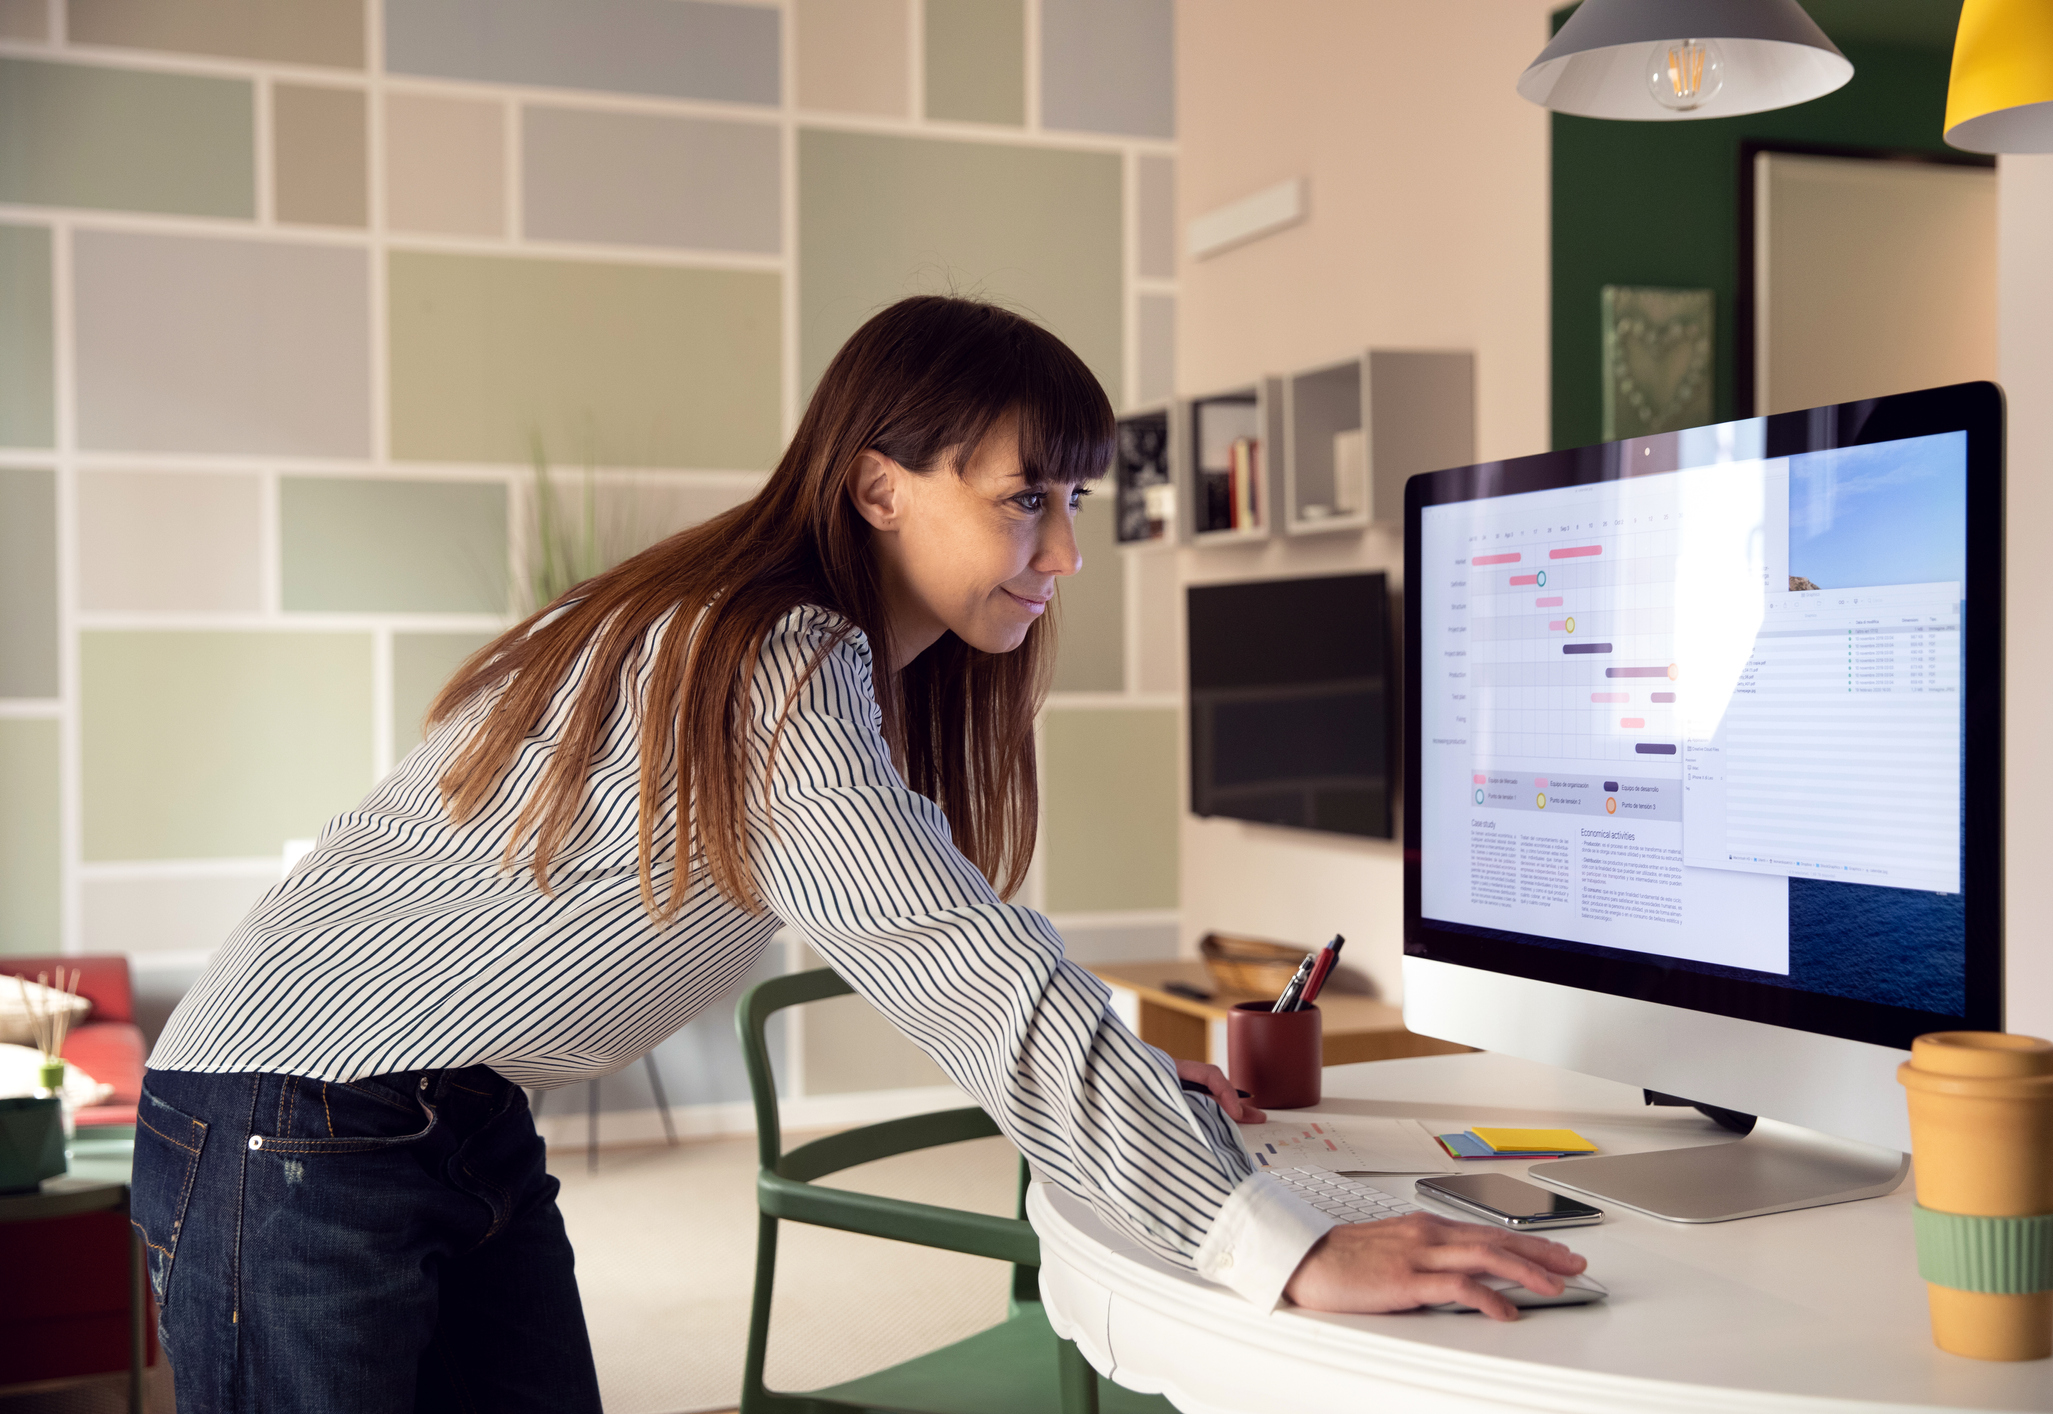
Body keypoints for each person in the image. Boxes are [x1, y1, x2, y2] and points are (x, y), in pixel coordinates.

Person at [133, 296, 1587, 1412]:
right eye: (1027, 497)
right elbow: (964, 972)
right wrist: (1275, 1238)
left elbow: (956, 927)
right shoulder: (769, 655)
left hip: (429, 1113)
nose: (1064, 553)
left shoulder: (789, 648)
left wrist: (1143, 1097)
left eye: (1071, 501)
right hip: (299, 1121)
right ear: (881, 485)